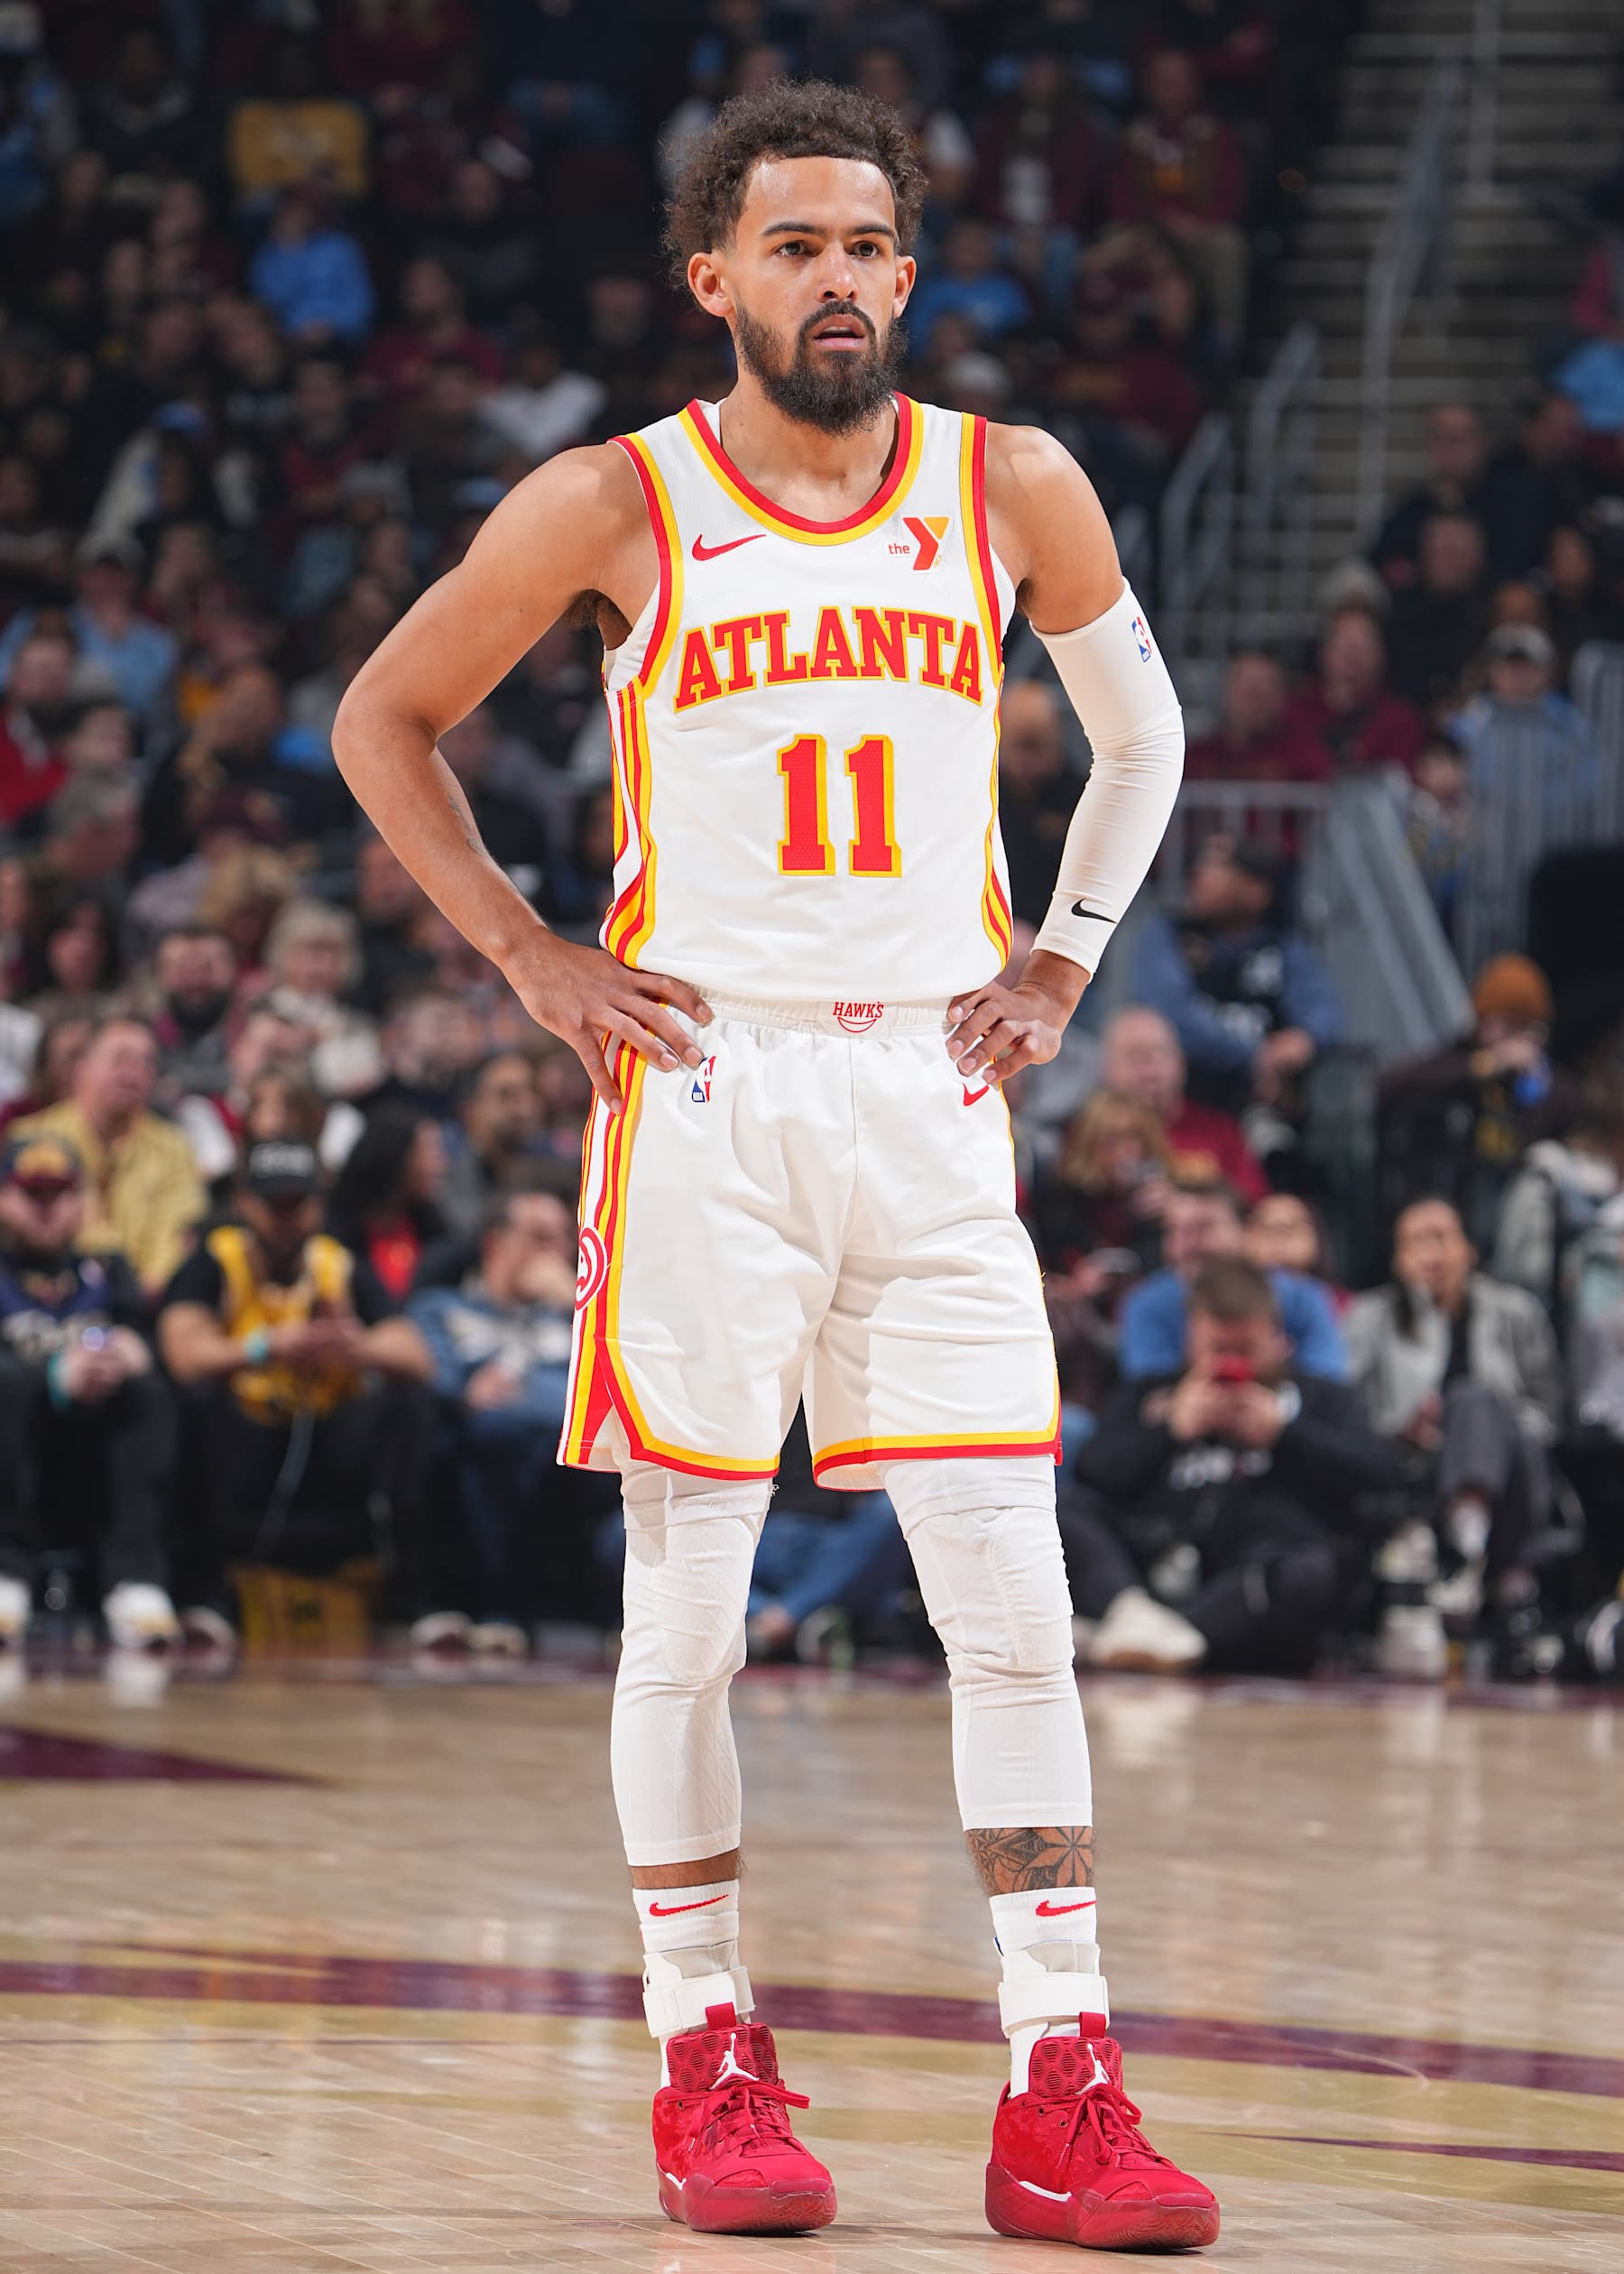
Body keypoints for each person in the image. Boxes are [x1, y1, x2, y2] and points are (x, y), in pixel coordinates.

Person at [331, 79, 1213, 2253]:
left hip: (929, 1086)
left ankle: (1060, 2086)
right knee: (688, 1615)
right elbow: (383, 719)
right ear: (711, 276)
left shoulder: (1011, 488)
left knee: (1013, 1603)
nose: (838, 277)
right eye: (793, 245)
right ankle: (707, 2059)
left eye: (868, 245)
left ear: (911, 272)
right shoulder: (613, 501)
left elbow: (1148, 738)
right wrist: (532, 958)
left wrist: (1064, 966)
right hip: (708, 1088)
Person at [1067, 1258, 1405, 1674]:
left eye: (1246, 1350)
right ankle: (1138, 1622)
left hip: (1248, 1591)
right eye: (1218, 1350)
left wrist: (1285, 1435)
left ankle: (1159, 1636)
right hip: (1146, 1574)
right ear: (1192, 1339)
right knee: (1065, 1509)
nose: (1232, 1365)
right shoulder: (1152, 1393)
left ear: (1278, 1337)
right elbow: (1092, 1474)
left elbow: (1381, 1477)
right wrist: (1168, 1430)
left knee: (1309, 1570)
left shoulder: (1322, 1399)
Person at [156, 1140, 437, 1640]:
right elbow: (184, 1353)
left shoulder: (336, 1262)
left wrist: (355, 1344)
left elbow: (415, 1354)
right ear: (244, 1204)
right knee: (194, 1400)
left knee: (408, 1403)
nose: (286, 1218)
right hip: (245, 1436)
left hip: (325, 1434)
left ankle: (410, 1597)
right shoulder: (216, 1258)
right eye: (273, 1204)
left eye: (298, 1203)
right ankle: (209, 1594)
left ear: (318, 1204)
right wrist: (270, 1346)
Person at [1347, 1198, 1564, 1656]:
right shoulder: (1371, 1317)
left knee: (1478, 1403)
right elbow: (1350, 1409)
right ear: (1396, 1259)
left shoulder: (1515, 1312)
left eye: (1442, 1237)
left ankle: (1466, 1550)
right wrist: (1402, 1427)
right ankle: (1508, 1584)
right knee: (1473, 1405)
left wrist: (1488, 1429)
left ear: (1469, 1250)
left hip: (1508, 1464)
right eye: (1416, 1241)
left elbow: (1550, 1410)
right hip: (1409, 1462)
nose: (1432, 1253)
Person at [0, 1130, 180, 1650]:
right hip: (13, 1453)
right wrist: (55, 1375)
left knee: (149, 1393)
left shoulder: (107, 1271)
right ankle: (6, 1572)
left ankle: (135, 1579)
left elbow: (147, 1346)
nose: (48, 1209)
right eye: (32, 1194)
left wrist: (127, 1352)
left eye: (60, 1194)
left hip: (92, 1450)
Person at [409, 1185, 595, 1651]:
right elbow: (433, 1376)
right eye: (539, 1238)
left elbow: (616, 1385)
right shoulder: (443, 1309)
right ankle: (499, 1604)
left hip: (572, 1460)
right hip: (481, 1457)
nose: (555, 1254)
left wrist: (575, 1300)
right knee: (494, 1431)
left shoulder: (578, 1322)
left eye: (562, 1241)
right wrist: (464, 1391)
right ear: (495, 1244)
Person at [1131, 835, 1342, 1123]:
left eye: (1216, 864)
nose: (1197, 873)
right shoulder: (1169, 933)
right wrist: (1256, 1056)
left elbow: (1322, 1010)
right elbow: (1170, 1013)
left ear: (1256, 890)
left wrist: (1304, 1040)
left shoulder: (1285, 946)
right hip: (1185, 1099)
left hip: (1266, 1099)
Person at [12, 1014, 205, 1298]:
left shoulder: (175, 1148)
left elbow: (174, 1238)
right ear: (82, 1068)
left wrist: (143, 1287)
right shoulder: (31, 1138)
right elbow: (42, 1232)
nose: (133, 1073)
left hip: (146, 1302)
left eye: (146, 1063)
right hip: (48, 1295)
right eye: (120, 1059)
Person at [1119, 1179, 1347, 1383]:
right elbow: (1148, 1396)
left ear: (1245, 1231)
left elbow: (1330, 1387)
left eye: (1203, 1227)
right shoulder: (1145, 1304)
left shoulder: (1305, 1298)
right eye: (1173, 1230)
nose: (1186, 1244)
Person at [1100, 1003, 1268, 1203]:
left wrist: (1191, 1197)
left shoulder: (1220, 1130)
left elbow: (1254, 1204)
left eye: (1160, 1053)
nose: (1150, 1068)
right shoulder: (1091, 1133)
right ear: (1107, 1069)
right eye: (1135, 1056)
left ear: (1181, 1063)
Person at [438, 1049, 543, 1243]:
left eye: (530, 1092)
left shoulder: (552, 1165)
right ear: (471, 1112)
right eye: (506, 1095)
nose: (524, 1108)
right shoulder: (450, 1179)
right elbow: (467, 1236)